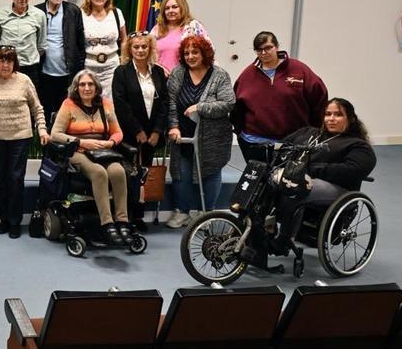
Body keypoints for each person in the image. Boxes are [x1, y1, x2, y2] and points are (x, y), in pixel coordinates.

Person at [277, 98, 377, 240]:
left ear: (351, 119)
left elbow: (353, 170)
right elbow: (281, 147)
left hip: (337, 188)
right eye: (328, 114)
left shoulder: (358, 145)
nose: (331, 119)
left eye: (338, 114)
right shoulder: (308, 132)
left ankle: (284, 239)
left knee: (294, 185)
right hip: (301, 177)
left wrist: (311, 169)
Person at [50, 70, 128, 245]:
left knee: (118, 171)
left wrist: (110, 143)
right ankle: (107, 224)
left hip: (103, 150)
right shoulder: (69, 104)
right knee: (99, 173)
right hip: (78, 151)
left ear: (96, 87)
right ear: (76, 88)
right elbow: (55, 134)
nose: (87, 88)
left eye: (90, 84)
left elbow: (118, 132)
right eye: (82, 84)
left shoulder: (106, 104)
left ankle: (122, 221)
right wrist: (81, 143)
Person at [165, 35, 235, 228]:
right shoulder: (178, 73)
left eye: (195, 52)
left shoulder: (219, 75)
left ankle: (206, 214)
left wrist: (201, 107)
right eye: (186, 53)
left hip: (213, 137)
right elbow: (170, 102)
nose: (190, 56)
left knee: (211, 172)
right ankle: (182, 212)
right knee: (181, 173)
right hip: (182, 134)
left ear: (204, 53)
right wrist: (173, 126)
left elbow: (228, 103)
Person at [231, 31, 328, 164]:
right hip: (254, 142)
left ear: (277, 46)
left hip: (293, 143)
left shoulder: (299, 70)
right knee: (259, 183)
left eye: (268, 48)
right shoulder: (247, 75)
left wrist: (312, 131)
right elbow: (236, 106)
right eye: (259, 50)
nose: (264, 53)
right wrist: (239, 132)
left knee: (287, 182)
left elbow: (319, 99)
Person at [0, 46, 48, 239]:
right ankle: (4, 219)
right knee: (3, 179)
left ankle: (14, 221)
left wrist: (43, 129)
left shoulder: (24, 81)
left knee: (15, 178)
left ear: (15, 63)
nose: (5, 65)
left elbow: (37, 108)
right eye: (2, 61)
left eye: (9, 61)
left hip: (20, 136)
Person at [111, 31, 169, 230]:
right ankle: (125, 217)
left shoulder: (159, 72)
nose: (140, 50)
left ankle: (138, 216)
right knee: (129, 176)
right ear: (129, 49)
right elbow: (121, 105)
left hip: (152, 135)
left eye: (144, 47)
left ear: (150, 49)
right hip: (129, 134)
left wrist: (157, 131)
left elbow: (164, 104)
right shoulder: (121, 72)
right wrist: (137, 130)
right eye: (136, 47)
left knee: (144, 175)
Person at [37, 0, 86, 123]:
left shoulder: (73, 11)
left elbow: (80, 41)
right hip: (43, 72)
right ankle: (42, 142)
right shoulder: (37, 11)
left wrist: (80, 66)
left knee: (65, 112)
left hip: (67, 73)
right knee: (44, 110)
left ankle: (62, 143)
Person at [0, 0, 46, 83]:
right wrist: (5, 59)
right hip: (6, 68)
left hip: (30, 69)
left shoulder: (40, 15)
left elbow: (41, 46)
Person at [79, 0, 126, 91]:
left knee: (110, 104)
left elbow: (124, 39)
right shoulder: (81, 14)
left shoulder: (116, 13)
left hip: (111, 68)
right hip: (88, 67)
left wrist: (123, 60)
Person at [149, 0, 207, 72]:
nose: (170, 11)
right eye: (167, 8)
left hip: (184, 79)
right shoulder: (157, 29)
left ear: (182, 8)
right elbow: (147, 54)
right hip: (159, 79)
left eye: (174, 7)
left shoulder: (193, 27)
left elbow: (207, 53)